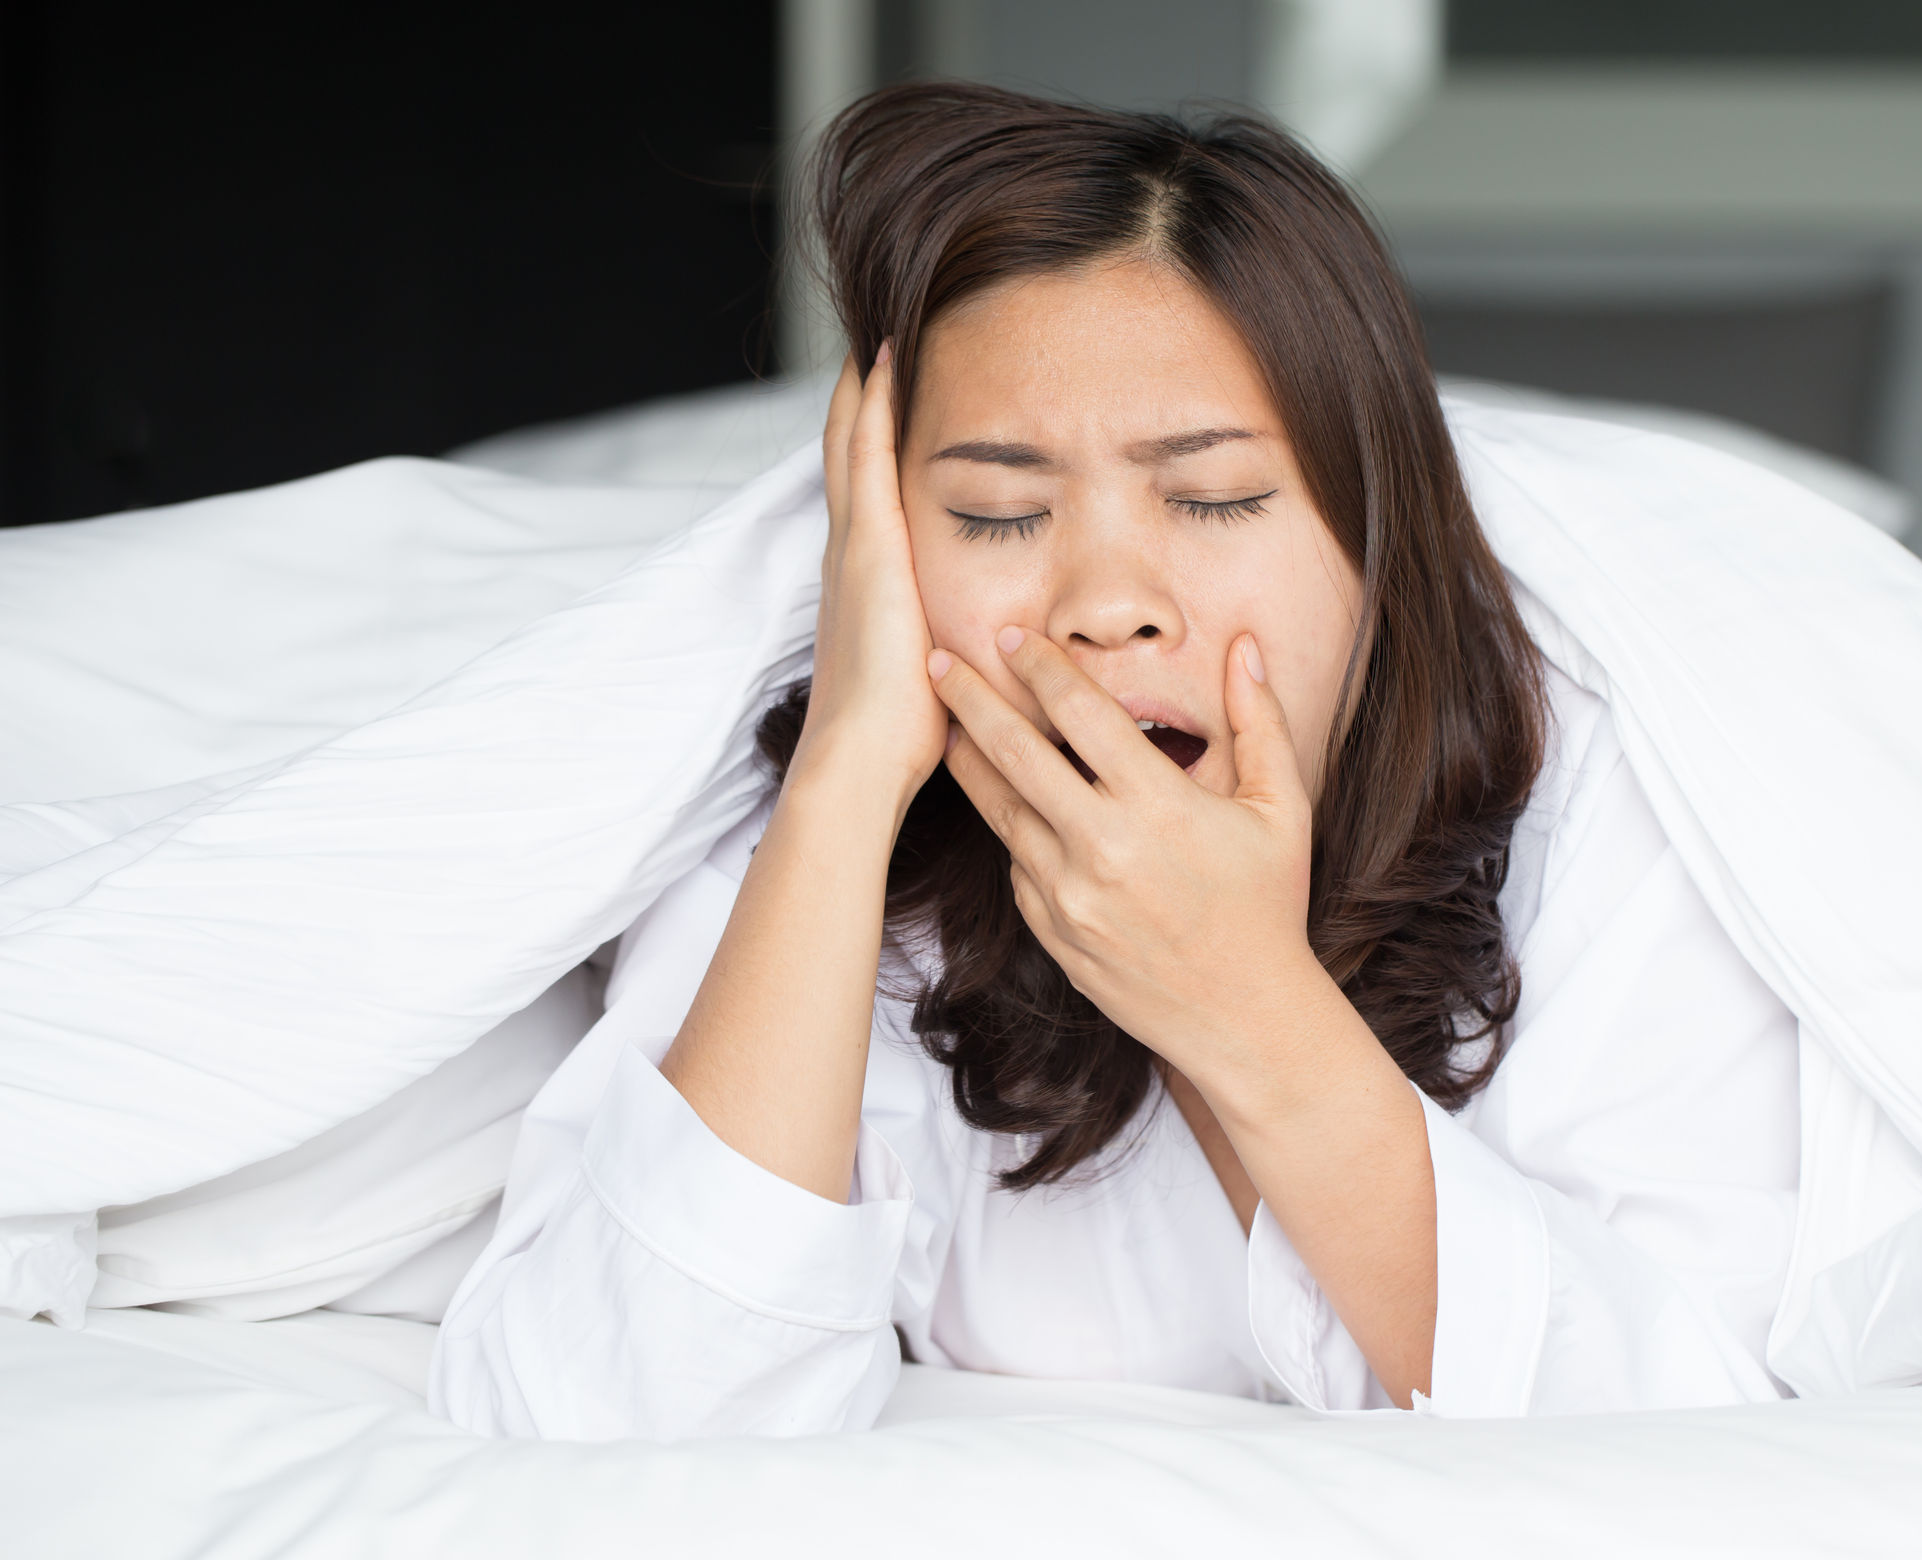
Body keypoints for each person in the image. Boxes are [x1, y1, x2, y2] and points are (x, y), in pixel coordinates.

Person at [430, 83, 1800, 1440]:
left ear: (1378, 540)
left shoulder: (1618, 800)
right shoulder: (828, 845)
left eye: (1212, 498)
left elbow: (1683, 1443)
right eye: (998, 513)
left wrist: (1239, 1006)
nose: (1106, 602)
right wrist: (847, 775)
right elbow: (625, 1424)